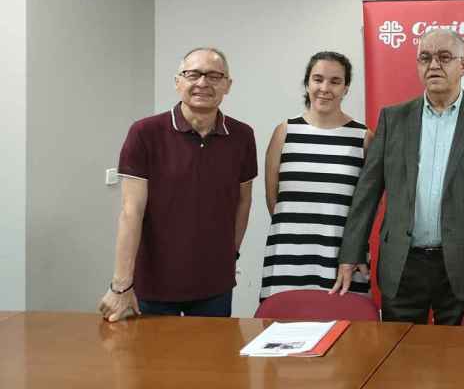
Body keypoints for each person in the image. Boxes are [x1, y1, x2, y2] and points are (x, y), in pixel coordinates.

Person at [332, 28, 464, 325]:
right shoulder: (393, 119)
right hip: (403, 263)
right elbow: (368, 191)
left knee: (460, 360)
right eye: (425, 58)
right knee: (398, 358)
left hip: (462, 265)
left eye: (444, 57)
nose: (433, 65)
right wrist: (350, 253)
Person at [98, 47, 257, 321]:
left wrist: (229, 255)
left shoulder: (242, 136)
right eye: (193, 74)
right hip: (153, 284)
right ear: (178, 82)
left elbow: (243, 201)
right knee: (151, 363)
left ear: (227, 85)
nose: (203, 83)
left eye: (214, 76)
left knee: (213, 362)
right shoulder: (145, 133)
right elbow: (130, 212)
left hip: (214, 285)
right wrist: (120, 285)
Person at [260, 51, 374, 301]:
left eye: (335, 81)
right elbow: (273, 199)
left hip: (341, 260)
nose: (325, 88)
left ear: (346, 88)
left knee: (347, 335)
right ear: (307, 83)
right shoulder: (285, 132)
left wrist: (352, 251)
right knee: (284, 331)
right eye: (318, 79)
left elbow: (367, 205)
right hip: (287, 257)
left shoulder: (362, 137)